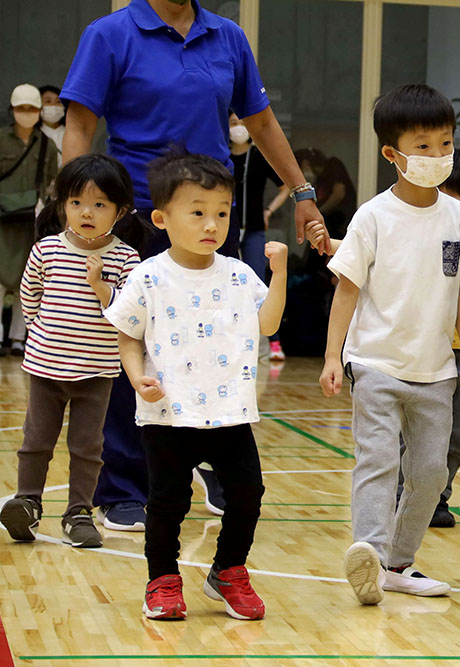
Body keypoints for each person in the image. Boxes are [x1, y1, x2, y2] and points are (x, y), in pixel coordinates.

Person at [59, 0, 329, 533]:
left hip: (208, 219)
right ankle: (124, 486)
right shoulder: (110, 34)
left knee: (215, 340)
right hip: (134, 217)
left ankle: (209, 458)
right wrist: (76, 214)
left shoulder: (227, 37)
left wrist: (301, 192)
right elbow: (80, 124)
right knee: (132, 344)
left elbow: (261, 121)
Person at [319, 84, 460, 605]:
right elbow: (347, 289)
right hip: (375, 364)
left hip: (436, 371)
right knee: (377, 461)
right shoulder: (372, 216)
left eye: (446, 143)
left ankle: (397, 563)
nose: (438, 155)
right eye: (424, 146)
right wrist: (332, 356)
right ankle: (369, 556)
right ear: (393, 154)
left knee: (431, 473)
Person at [105, 152, 287, 621]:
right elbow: (128, 335)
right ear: (162, 218)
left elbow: (267, 325)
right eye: (198, 212)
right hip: (168, 413)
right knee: (168, 502)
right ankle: (163, 579)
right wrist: (135, 376)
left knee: (247, 494)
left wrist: (280, 274)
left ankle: (228, 570)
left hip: (231, 412)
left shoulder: (239, 273)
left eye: (222, 213)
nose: (212, 224)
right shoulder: (148, 276)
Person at [0, 155, 140, 548]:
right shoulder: (46, 249)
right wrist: (40, 333)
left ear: (120, 211)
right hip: (45, 368)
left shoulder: (126, 258)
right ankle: (28, 504)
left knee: (87, 447)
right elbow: (30, 296)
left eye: (99, 204)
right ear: (63, 205)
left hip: (97, 371)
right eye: (76, 202)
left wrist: (100, 286)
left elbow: (129, 313)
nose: (86, 212)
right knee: (35, 441)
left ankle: (78, 513)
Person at [396, 149, 460, 529]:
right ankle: (402, 494)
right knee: (413, 432)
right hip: (424, 347)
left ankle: (438, 498)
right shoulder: (415, 236)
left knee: (455, 435)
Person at [1, 83, 59, 358]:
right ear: (12, 110)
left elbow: (50, 181)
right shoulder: (1, 139)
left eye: (32, 109)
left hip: (30, 219)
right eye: (21, 108)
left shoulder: (46, 144)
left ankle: (17, 338)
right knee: (0, 279)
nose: (27, 113)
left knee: (28, 277)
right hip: (2, 219)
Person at [229, 112, 288, 363]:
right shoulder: (223, 156)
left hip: (253, 228)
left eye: (242, 123)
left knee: (259, 283)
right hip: (228, 229)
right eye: (233, 123)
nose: (238, 128)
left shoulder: (259, 156)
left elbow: (285, 187)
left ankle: (274, 342)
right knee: (229, 282)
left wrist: (268, 211)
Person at [38, 86, 66, 165]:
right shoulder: (34, 134)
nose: (54, 105)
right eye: (48, 101)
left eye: (58, 102)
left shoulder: (71, 133)